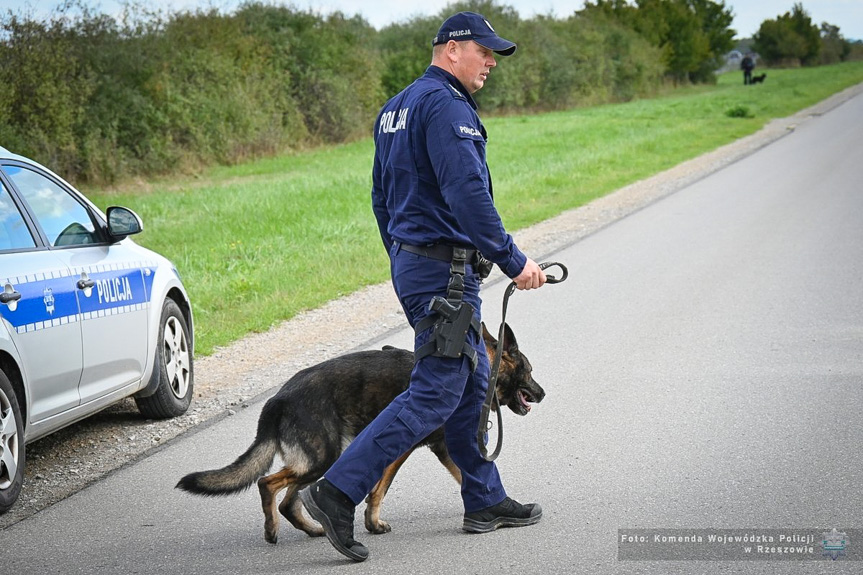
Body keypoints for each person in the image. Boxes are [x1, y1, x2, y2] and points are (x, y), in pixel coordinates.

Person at [300, 11, 547, 562]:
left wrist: (403, 257)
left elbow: (381, 198)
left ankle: (483, 498)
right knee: (436, 388)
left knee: (474, 376)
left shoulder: (396, 108)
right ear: (453, 49)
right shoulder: (446, 107)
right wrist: (512, 259)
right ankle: (338, 490)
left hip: (423, 267)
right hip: (445, 274)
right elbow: (467, 193)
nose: (490, 63)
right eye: (485, 52)